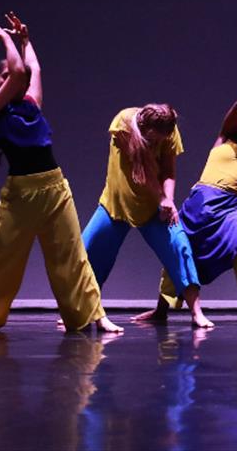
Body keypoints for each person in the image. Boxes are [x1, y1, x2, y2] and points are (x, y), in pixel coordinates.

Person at [0, 13, 122, 334]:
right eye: (6, 78)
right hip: (21, 194)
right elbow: (17, 70)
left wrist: (26, 39)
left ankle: (94, 315)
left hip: (54, 185)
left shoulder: (31, 103)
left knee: (71, 254)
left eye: (18, 79)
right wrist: (5, 38)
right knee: (1, 257)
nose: (16, 79)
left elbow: (32, 69)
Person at [132, 69, 237, 328]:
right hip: (199, 204)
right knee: (177, 250)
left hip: (229, 209)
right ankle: (162, 310)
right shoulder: (223, 139)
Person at [81, 103, 200, 315]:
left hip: (153, 207)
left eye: (163, 138)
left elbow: (169, 171)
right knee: (88, 251)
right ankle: (80, 312)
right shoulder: (124, 124)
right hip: (116, 204)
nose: (159, 143)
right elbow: (141, 171)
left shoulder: (168, 130)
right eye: (155, 139)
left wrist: (169, 201)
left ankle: (197, 312)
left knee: (179, 246)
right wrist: (162, 197)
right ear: (145, 128)